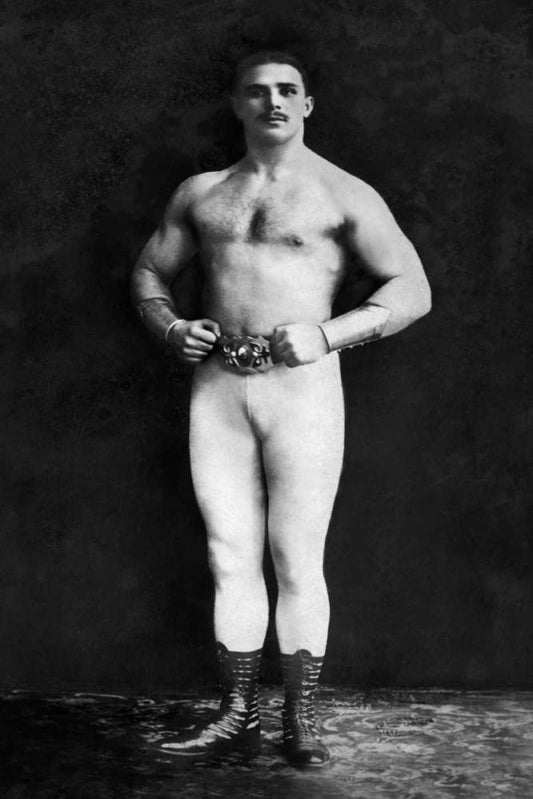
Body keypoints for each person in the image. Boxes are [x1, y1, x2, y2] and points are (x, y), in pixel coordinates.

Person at [131, 50, 431, 767]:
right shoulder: (202, 192)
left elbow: (412, 289)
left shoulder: (342, 193)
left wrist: (328, 334)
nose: (273, 101)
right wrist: (171, 327)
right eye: (258, 91)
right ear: (236, 104)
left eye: (287, 90)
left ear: (307, 105)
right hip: (219, 390)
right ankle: (237, 713)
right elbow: (148, 272)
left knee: (297, 558)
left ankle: (300, 719)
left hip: (303, 392)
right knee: (228, 554)